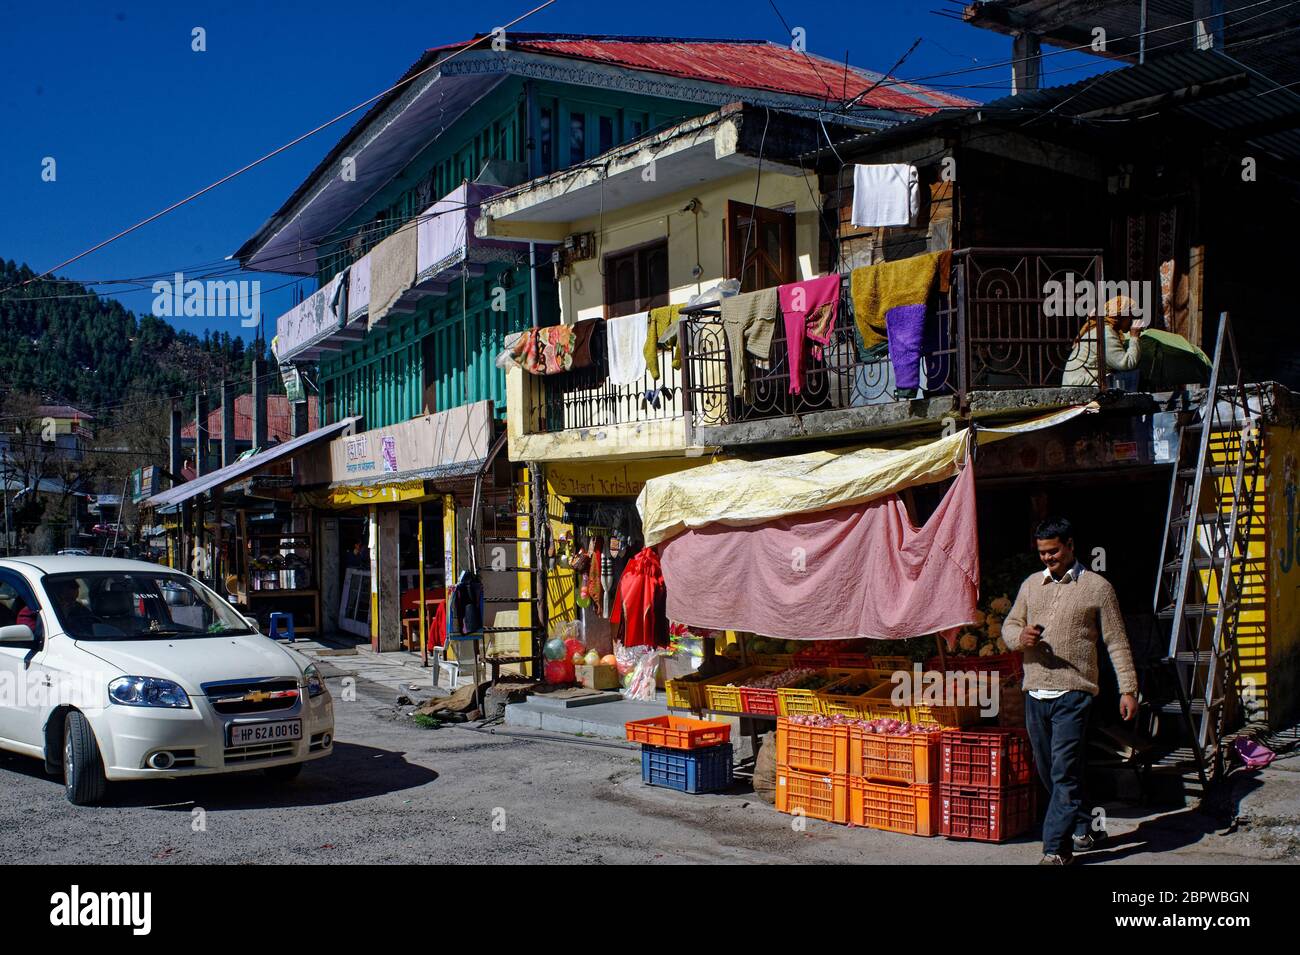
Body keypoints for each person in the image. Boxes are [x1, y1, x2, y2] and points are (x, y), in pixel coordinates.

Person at [1003, 517, 1139, 865]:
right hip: (1035, 693)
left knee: (1063, 772)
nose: (1048, 558)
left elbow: (1117, 642)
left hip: (1074, 695)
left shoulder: (1097, 587)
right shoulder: (1031, 585)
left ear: (1070, 545)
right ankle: (1086, 827)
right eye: (1042, 553)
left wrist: (1128, 688)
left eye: (1054, 551)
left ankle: (1055, 849)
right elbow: (1010, 625)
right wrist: (1021, 638)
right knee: (1051, 772)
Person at [1061, 295, 1143, 387]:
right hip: (1078, 384)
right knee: (1134, 374)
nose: (1132, 321)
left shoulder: (1103, 329)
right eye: (1130, 316)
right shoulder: (1106, 333)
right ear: (1121, 316)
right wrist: (1134, 337)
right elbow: (1126, 363)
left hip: (1078, 381)